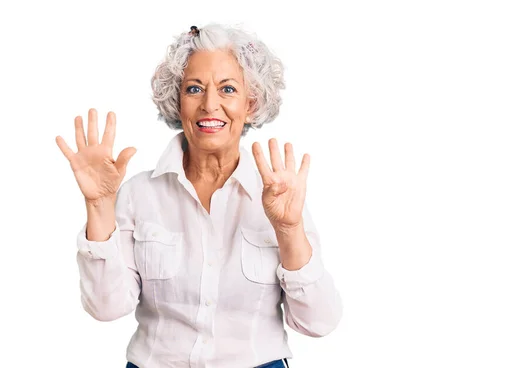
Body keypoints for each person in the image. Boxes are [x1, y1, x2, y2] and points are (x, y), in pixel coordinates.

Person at [55, 23, 342, 368]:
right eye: (194, 89)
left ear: (251, 103)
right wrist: (98, 206)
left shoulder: (278, 197)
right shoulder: (140, 195)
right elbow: (106, 308)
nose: (210, 104)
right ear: (177, 101)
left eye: (228, 89)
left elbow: (319, 322)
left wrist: (288, 228)